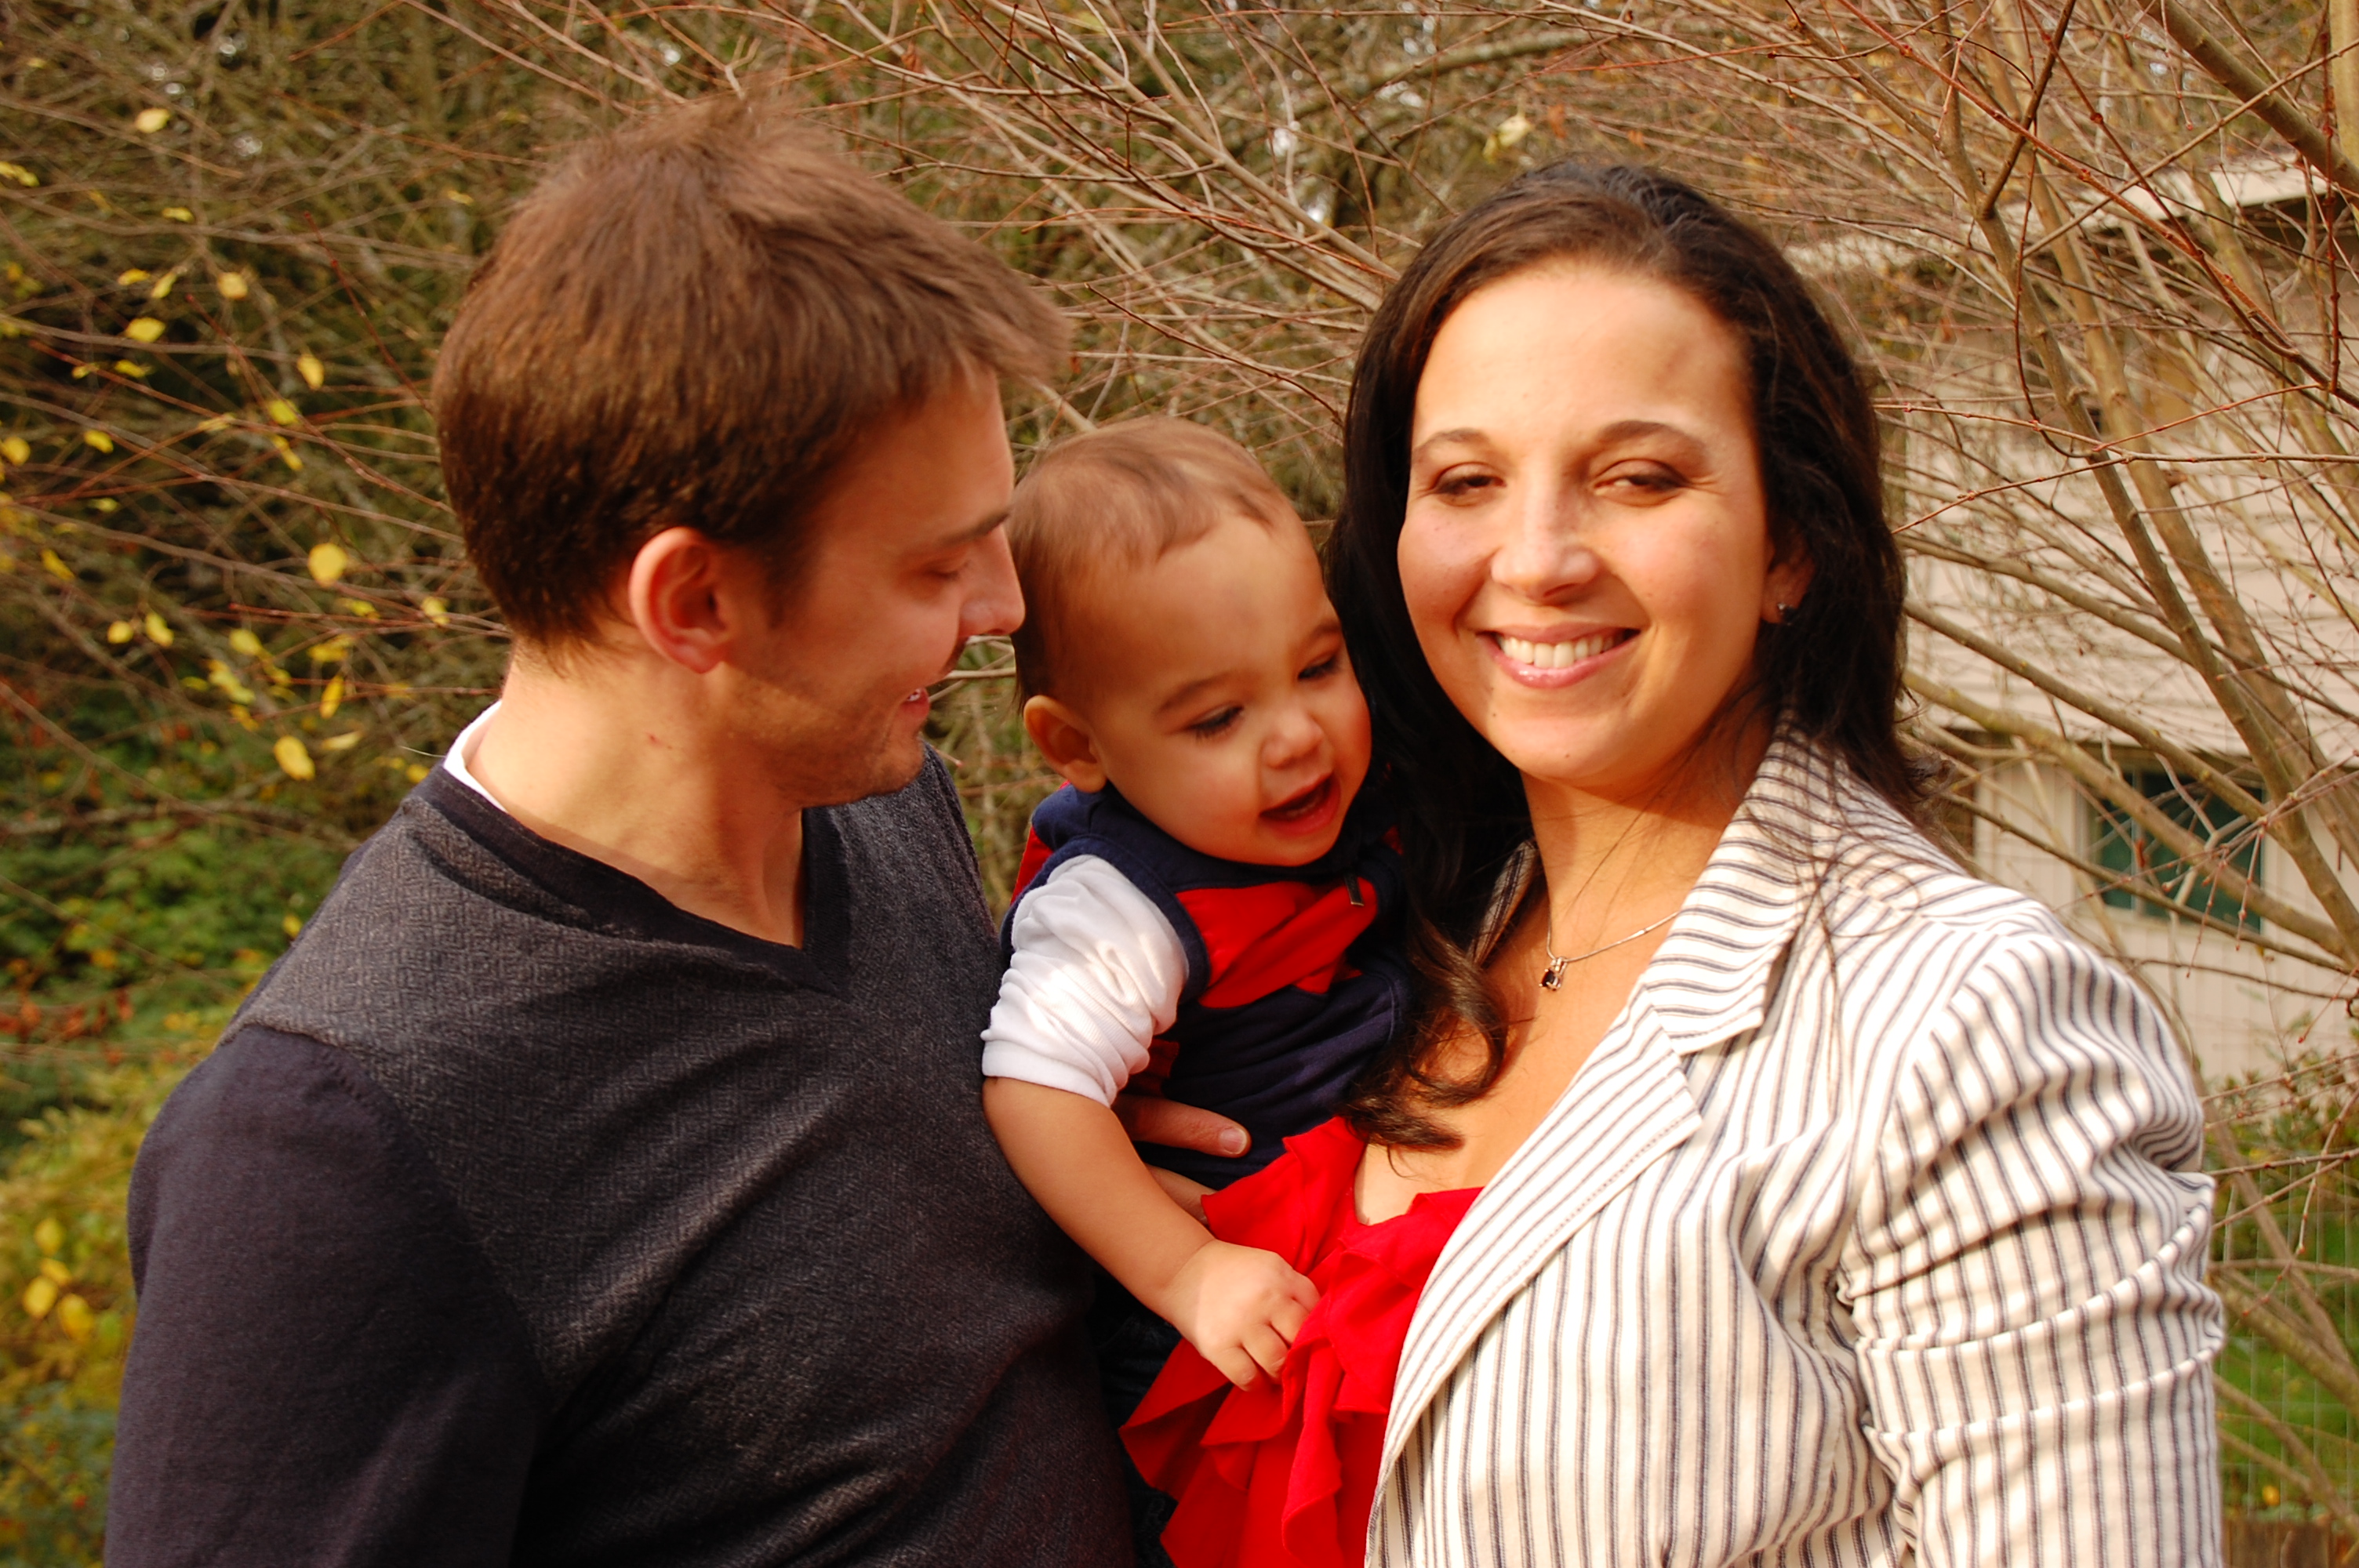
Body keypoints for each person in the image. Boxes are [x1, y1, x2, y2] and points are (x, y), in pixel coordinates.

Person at [107, 98, 1234, 1566]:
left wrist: (1058, 1181)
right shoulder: (332, 1150)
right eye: (935, 565)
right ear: (693, 602)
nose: (1002, 607)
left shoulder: (873, 803)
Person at [1314, 164, 2223, 1564]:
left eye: (1638, 478)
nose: (1537, 559)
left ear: (1790, 541)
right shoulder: (1388, 937)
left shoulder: (1966, 1023)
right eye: (1467, 481)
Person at [976, 419, 1413, 1564]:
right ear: (1078, 745)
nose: (1298, 735)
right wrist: (1185, 1272)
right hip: (1208, 1328)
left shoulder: (1359, 799)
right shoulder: (1123, 904)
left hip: (1337, 1256)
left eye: (1318, 667)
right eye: (1218, 718)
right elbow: (1034, 1091)